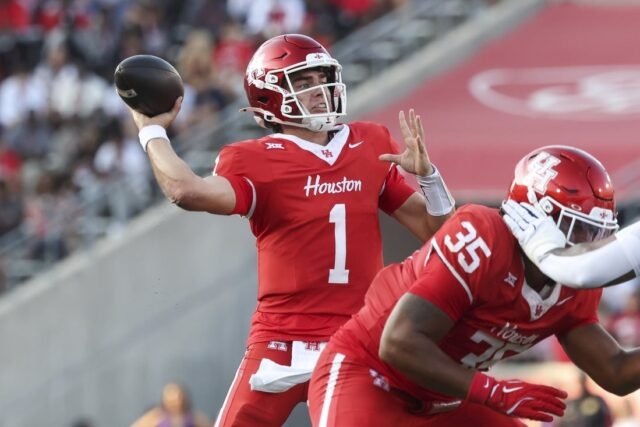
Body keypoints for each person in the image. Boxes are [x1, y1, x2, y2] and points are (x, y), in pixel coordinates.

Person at [124, 34, 455, 426]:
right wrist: (151, 132)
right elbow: (186, 190)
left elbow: (439, 232)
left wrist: (430, 179)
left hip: (355, 340)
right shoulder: (254, 159)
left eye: (321, 78)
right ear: (269, 97)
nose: (318, 90)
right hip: (279, 342)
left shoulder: (368, 143)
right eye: (303, 81)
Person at [308, 145, 640, 427]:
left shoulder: (575, 284)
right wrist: (494, 391)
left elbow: (615, 372)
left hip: (446, 393)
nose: (587, 243)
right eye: (578, 229)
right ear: (536, 215)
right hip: (372, 373)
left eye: (597, 233)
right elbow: (398, 342)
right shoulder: (484, 237)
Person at [131, 382, 211, 427]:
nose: (174, 400)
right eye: (170, 396)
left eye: (177, 396)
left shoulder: (192, 417)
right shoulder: (157, 415)